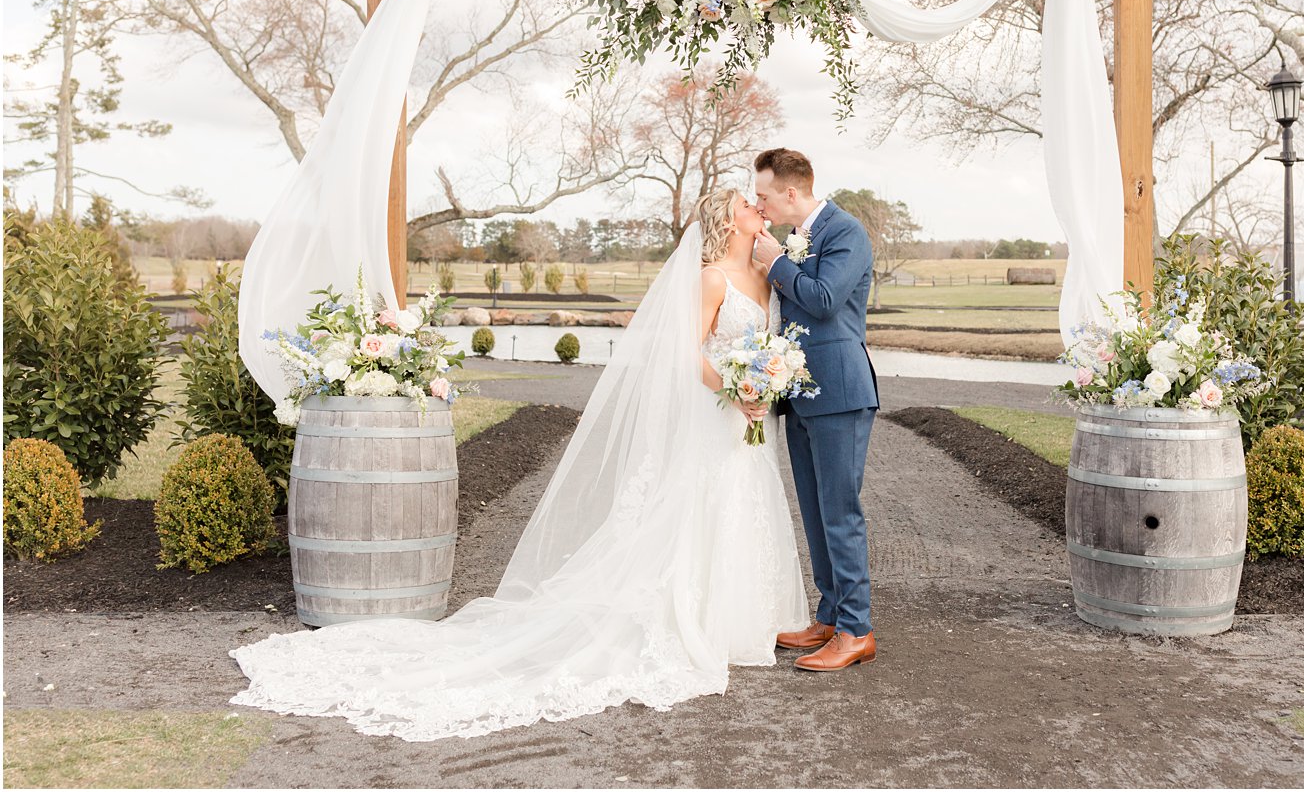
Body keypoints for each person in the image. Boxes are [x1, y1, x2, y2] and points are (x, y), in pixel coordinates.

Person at [227, 189, 807, 741]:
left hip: (746, 417)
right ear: (726, 222)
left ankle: (738, 622)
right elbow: (688, 351)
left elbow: (763, 345)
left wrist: (763, 381)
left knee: (743, 502)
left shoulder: (765, 275)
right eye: (746, 204)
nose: (758, 207)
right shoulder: (710, 278)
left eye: (758, 202)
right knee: (701, 504)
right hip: (719, 409)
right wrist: (733, 389)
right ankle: (693, 619)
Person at [751, 147, 880, 672]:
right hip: (800, 391)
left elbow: (825, 300)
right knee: (814, 507)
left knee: (840, 510)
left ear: (790, 191)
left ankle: (856, 630)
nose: (760, 205)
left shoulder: (846, 232)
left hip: (841, 390)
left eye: (763, 195)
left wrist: (776, 263)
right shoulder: (796, 237)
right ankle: (828, 615)